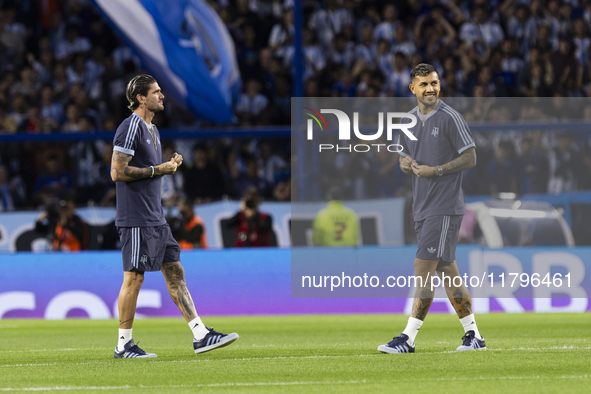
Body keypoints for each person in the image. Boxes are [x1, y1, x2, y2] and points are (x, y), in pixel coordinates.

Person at [110, 74, 238, 359]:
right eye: (156, 92)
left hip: (156, 217)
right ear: (141, 98)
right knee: (134, 279)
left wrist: (167, 165)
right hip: (136, 218)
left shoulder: (152, 130)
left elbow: (148, 170)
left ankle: (201, 334)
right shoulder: (130, 127)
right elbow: (117, 172)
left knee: (175, 273)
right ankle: (124, 344)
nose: (162, 95)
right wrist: (159, 170)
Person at [378, 64, 484, 354]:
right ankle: (474, 335)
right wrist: (404, 162)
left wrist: (436, 170)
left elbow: (471, 156)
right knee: (448, 271)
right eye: (423, 84)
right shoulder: (408, 120)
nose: (430, 89)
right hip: (422, 207)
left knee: (422, 267)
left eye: (434, 83)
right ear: (412, 89)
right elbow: (403, 156)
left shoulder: (451, 118)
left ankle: (408, 338)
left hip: (444, 206)